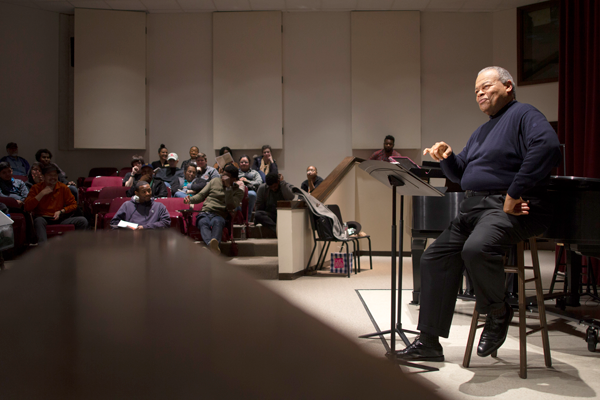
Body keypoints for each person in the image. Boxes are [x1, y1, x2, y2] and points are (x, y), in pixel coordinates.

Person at [396, 66, 561, 362]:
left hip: (504, 206)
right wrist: (447, 158)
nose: (480, 94)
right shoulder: (482, 131)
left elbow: (547, 146)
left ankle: (498, 312)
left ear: (508, 86)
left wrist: (513, 193)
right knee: (434, 258)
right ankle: (429, 343)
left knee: (476, 249)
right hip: (474, 208)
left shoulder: (524, 114)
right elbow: (461, 174)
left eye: (485, 86)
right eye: (476, 91)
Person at [184, 164, 244, 254]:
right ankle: (212, 246)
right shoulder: (215, 181)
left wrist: (228, 188)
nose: (223, 178)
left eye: (226, 176)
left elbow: (230, 206)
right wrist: (190, 199)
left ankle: (210, 246)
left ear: (234, 179)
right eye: (223, 174)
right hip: (206, 211)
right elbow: (201, 195)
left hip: (220, 214)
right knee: (202, 222)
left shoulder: (238, 192)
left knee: (217, 222)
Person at [24, 165, 88, 243]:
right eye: (50, 175)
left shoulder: (63, 187)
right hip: (43, 218)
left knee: (82, 221)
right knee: (38, 221)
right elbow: (27, 207)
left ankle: (74, 247)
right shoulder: (36, 188)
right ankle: (44, 250)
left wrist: (61, 211)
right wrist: (41, 194)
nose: (53, 177)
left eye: (55, 175)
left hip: (59, 217)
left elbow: (73, 205)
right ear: (43, 176)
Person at [237, 155, 262, 221]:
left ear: (249, 163)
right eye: (242, 162)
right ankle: (239, 219)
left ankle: (247, 219)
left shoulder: (255, 173)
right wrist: (239, 181)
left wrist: (247, 181)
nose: (244, 164)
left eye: (246, 162)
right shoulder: (236, 172)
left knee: (252, 195)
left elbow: (259, 182)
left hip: (250, 190)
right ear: (239, 163)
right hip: (237, 191)